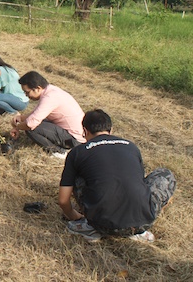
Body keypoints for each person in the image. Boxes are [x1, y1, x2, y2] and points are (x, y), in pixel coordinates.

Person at [59, 109, 176, 242]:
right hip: (142, 223)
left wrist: (75, 217)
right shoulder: (131, 146)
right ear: (111, 129)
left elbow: (63, 200)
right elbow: (139, 182)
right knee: (165, 174)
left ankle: (88, 227)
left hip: (100, 223)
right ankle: (137, 231)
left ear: (85, 131)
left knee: (78, 175)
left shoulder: (78, 152)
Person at [10, 71, 85, 159]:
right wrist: (21, 118)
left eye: (27, 92)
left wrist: (18, 127)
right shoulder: (51, 91)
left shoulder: (50, 98)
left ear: (37, 88)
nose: (26, 95)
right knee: (35, 122)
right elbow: (36, 113)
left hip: (74, 139)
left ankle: (59, 151)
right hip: (76, 133)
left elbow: (30, 124)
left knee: (32, 129)